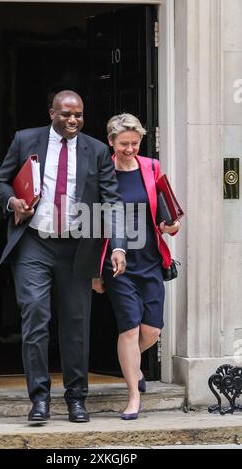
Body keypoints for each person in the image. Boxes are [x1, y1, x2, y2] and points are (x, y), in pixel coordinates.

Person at [0, 91, 126, 423]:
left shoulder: (96, 150)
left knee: (76, 325)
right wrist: (13, 203)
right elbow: (1, 182)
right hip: (34, 244)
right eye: (66, 114)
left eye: (79, 115)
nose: (73, 120)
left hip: (77, 249)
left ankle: (76, 399)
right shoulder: (26, 140)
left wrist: (119, 246)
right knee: (35, 317)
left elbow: (112, 201)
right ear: (51, 112)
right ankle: (39, 400)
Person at [92, 113, 180, 420]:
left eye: (136, 142)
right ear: (111, 142)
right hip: (118, 264)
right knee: (129, 328)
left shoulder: (151, 167)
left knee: (152, 331)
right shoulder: (103, 173)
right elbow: (93, 222)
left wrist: (170, 226)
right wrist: (94, 272)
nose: (130, 148)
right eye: (124, 143)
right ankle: (133, 397)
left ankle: (131, 363)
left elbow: (163, 213)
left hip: (150, 260)